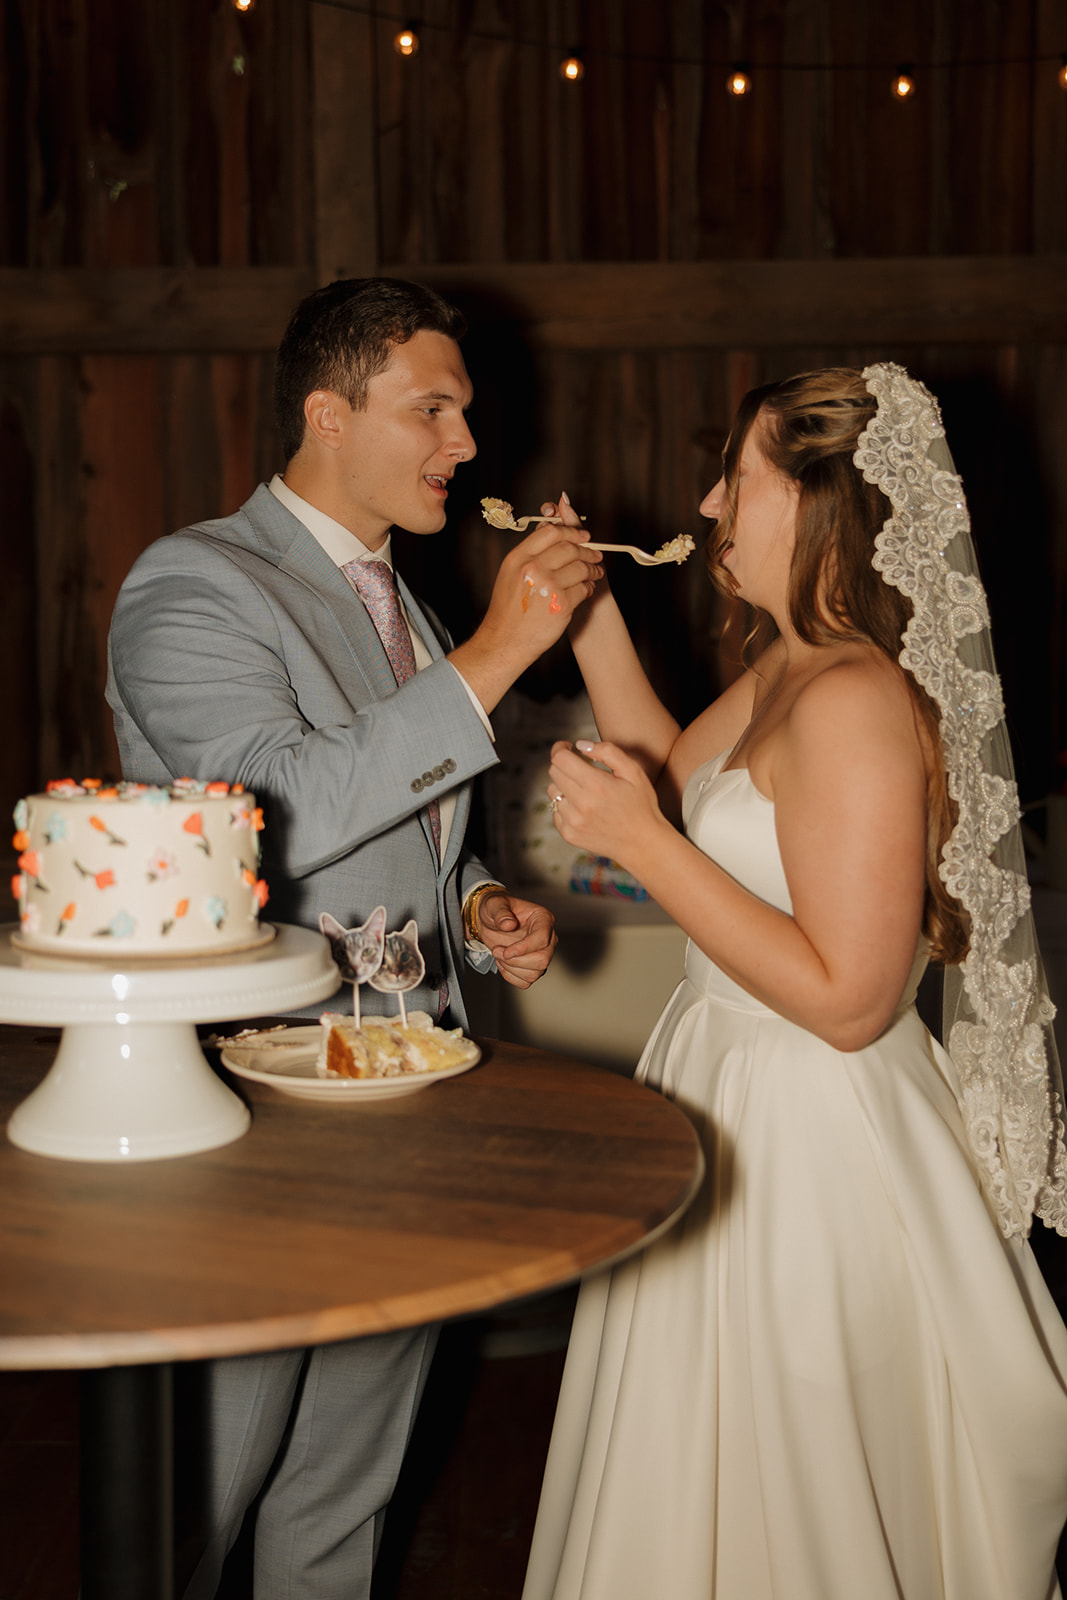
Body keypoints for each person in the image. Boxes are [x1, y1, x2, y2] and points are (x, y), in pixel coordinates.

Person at [521, 364, 1067, 1600]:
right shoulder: (788, 665)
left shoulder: (858, 698)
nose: (710, 501)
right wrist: (590, 611)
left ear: (824, 503)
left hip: (810, 1136)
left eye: (741, 477)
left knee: (791, 1486)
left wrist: (640, 846)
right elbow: (673, 770)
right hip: (720, 1079)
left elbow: (848, 1000)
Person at [105, 276, 602, 1599]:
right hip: (256, 1113)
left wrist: (479, 897)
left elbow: (410, 819)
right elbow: (263, 817)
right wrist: (496, 654)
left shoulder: (410, 607)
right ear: (328, 413)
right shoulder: (195, 581)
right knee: (198, 1499)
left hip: (416, 1098)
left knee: (345, 1491)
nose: (465, 446)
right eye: (429, 410)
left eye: (466, 413)